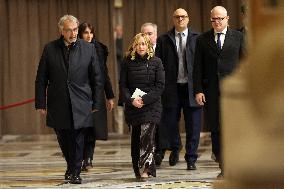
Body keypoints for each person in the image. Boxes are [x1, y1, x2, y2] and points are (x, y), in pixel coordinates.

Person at [35, 15, 103, 184]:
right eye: (69, 30)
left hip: (81, 101)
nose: (73, 33)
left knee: (79, 137)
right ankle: (71, 166)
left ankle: (75, 171)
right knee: (63, 137)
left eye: (75, 29)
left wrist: (96, 102)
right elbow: (41, 78)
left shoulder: (88, 49)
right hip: (58, 102)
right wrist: (40, 103)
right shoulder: (49, 49)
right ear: (61, 31)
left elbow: (97, 78)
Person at [193, 6, 245, 178]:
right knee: (216, 129)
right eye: (213, 19)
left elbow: (246, 64)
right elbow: (197, 68)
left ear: (227, 18)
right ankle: (223, 166)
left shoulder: (238, 37)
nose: (217, 22)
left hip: (235, 93)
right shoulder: (202, 39)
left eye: (220, 19)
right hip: (212, 92)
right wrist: (198, 90)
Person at [155, 8, 202, 170]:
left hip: (192, 89)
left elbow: (202, 66)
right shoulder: (163, 40)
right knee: (169, 123)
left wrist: (201, 88)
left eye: (183, 17)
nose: (180, 19)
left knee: (193, 125)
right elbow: (158, 66)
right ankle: (175, 147)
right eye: (177, 17)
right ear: (173, 19)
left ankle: (191, 159)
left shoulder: (198, 38)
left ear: (188, 19)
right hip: (171, 88)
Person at [119, 33, 165, 180]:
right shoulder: (127, 62)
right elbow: (123, 85)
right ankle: (136, 167)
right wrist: (131, 100)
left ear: (148, 45)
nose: (141, 47)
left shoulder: (156, 62)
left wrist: (144, 99)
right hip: (133, 106)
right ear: (134, 46)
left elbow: (160, 86)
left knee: (147, 136)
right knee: (136, 138)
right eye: (138, 44)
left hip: (151, 106)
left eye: (143, 44)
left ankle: (147, 168)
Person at [78, 22, 115, 171]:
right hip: (79, 94)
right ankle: (79, 158)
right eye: (86, 32)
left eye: (91, 32)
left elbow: (104, 74)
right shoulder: (75, 48)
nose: (89, 35)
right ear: (80, 34)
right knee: (81, 128)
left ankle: (88, 159)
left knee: (92, 128)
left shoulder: (98, 48)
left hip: (96, 94)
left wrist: (110, 96)